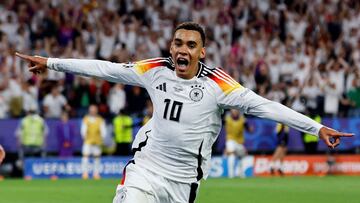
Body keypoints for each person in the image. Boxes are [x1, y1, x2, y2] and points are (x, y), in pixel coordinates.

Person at [16, 22, 353, 203]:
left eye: (190, 45)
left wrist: (316, 128)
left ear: (201, 52)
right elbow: (105, 69)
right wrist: (51, 63)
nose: (182, 49)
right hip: (145, 170)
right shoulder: (154, 69)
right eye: (178, 43)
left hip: (183, 184)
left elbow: (266, 107)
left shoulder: (219, 85)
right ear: (171, 47)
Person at [224, 109, 253, 178]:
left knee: (241, 156)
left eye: (236, 110)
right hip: (230, 139)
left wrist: (250, 129)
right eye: (233, 111)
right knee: (231, 155)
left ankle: (240, 173)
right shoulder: (227, 119)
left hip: (239, 141)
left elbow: (249, 129)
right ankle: (231, 175)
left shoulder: (242, 120)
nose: (235, 112)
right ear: (231, 111)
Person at [80, 104, 106, 180]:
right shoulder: (86, 119)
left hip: (97, 141)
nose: (93, 111)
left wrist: (102, 138)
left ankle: (96, 174)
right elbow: (83, 130)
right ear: (89, 111)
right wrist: (84, 136)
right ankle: (85, 173)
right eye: (91, 110)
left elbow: (103, 130)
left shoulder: (100, 120)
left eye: (94, 110)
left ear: (96, 111)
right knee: (85, 157)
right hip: (88, 141)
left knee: (97, 158)